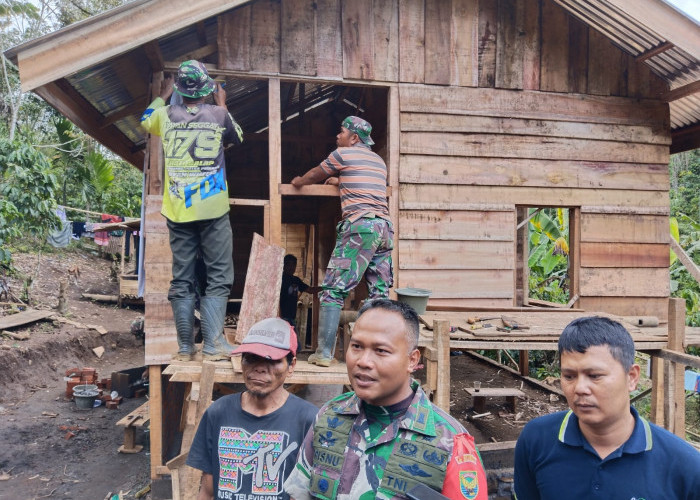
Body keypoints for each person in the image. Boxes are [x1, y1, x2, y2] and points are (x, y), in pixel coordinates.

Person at [283, 299, 488, 499]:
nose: (363, 361)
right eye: (356, 346)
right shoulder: (329, 417)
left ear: (412, 360)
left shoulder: (451, 442)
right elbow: (299, 493)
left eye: (381, 351)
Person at [513, 316, 700, 500]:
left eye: (594, 375)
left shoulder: (685, 467)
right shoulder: (537, 439)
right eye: (569, 376)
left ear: (632, 377)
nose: (579, 388)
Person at [141, 60, 243, 361]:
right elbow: (238, 135)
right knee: (219, 273)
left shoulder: (164, 115)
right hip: (212, 208)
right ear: (207, 89)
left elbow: (145, 119)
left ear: (180, 90)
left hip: (178, 210)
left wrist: (163, 92)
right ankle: (213, 343)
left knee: (182, 276)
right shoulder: (219, 114)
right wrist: (223, 103)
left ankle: (185, 346)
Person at [290, 116, 394, 367]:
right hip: (384, 228)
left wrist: (300, 182)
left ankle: (324, 354)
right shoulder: (378, 162)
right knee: (379, 293)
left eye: (342, 131)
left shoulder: (343, 154)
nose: (338, 136)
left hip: (360, 226)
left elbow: (317, 172)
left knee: (332, 290)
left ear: (354, 138)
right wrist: (340, 180)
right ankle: (378, 354)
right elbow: (362, 183)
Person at [186, 317, 319, 500]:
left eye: (272, 361)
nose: (259, 369)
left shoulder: (308, 419)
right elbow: (208, 490)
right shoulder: (218, 412)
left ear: (291, 365)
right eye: (251, 358)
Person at [280, 254, 319, 337]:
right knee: (294, 344)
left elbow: (310, 290)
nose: (291, 267)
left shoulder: (296, 280)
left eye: (294, 264)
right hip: (281, 317)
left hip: (291, 316)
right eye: (288, 264)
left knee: (292, 343)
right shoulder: (280, 279)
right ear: (283, 265)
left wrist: (325, 288)